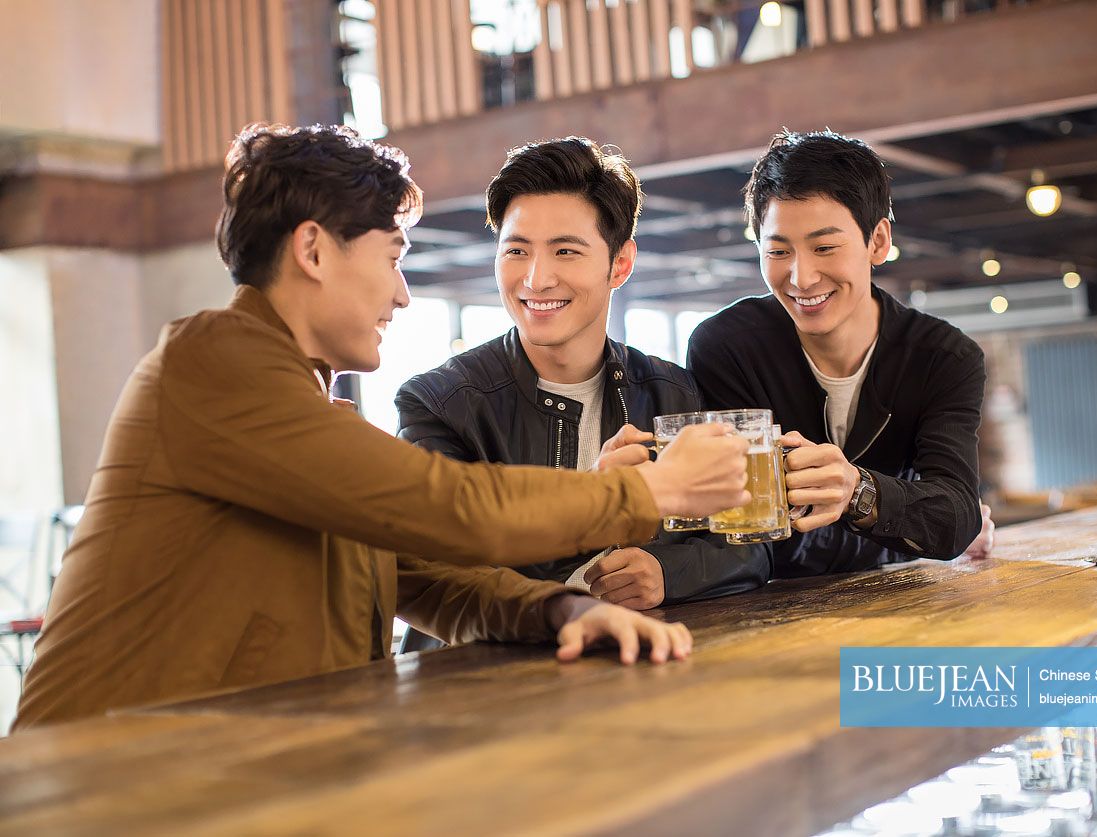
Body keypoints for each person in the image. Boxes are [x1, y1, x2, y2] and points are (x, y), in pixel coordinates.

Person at [13, 124, 751, 731]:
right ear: (313, 251)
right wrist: (652, 490)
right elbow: (446, 505)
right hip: (104, 781)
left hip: (230, 773)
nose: (401, 294)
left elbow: (417, 570)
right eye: (392, 259)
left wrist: (562, 607)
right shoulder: (212, 363)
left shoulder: (302, 405)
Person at [395, 138, 769, 624]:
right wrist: (600, 507)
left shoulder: (675, 392)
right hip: (481, 686)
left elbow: (750, 547)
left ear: (621, 263)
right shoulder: (440, 404)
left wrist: (665, 572)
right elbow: (442, 577)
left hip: (642, 677)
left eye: (565, 251)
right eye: (516, 251)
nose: (535, 279)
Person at [687, 129, 995, 579]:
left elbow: (954, 520)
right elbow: (744, 533)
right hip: (770, 617)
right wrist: (899, 533)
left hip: (900, 615)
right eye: (777, 250)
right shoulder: (727, 347)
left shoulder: (943, 357)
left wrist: (859, 489)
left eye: (825, 247)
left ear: (877, 241)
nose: (802, 277)